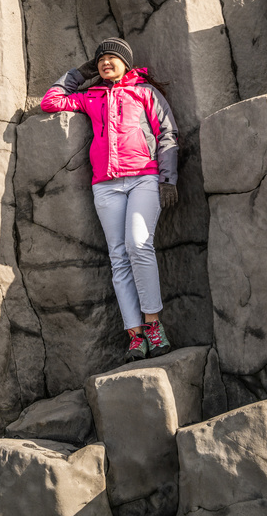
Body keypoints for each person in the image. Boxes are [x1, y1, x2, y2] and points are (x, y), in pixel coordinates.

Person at [40, 37, 179, 363]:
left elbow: (168, 133)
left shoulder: (145, 92)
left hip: (144, 178)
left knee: (138, 245)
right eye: (100, 60)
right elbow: (51, 101)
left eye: (112, 58)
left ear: (126, 63)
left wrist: (168, 179)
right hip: (105, 186)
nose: (105, 62)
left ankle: (154, 325)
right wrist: (79, 72)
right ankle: (135, 336)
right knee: (118, 257)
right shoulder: (91, 96)